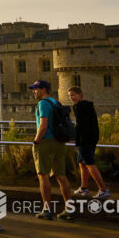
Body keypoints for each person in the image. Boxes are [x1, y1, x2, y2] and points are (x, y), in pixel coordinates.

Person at [29, 80, 74, 221]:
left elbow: (43, 125)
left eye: (36, 89)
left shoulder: (43, 104)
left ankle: (47, 210)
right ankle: (69, 209)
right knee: (61, 175)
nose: (33, 91)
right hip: (59, 142)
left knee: (43, 175)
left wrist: (36, 140)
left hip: (46, 142)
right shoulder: (55, 102)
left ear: (43, 89)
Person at [68, 86, 109, 199]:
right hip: (89, 138)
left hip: (86, 139)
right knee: (82, 163)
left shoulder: (79, 107)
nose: (71, 97)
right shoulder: (85, 105)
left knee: (89, 163)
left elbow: (81, 125)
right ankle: (84, 188)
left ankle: (103, 190)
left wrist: (74, 136)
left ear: (80, 95)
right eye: (70, 96)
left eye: (73, 95)